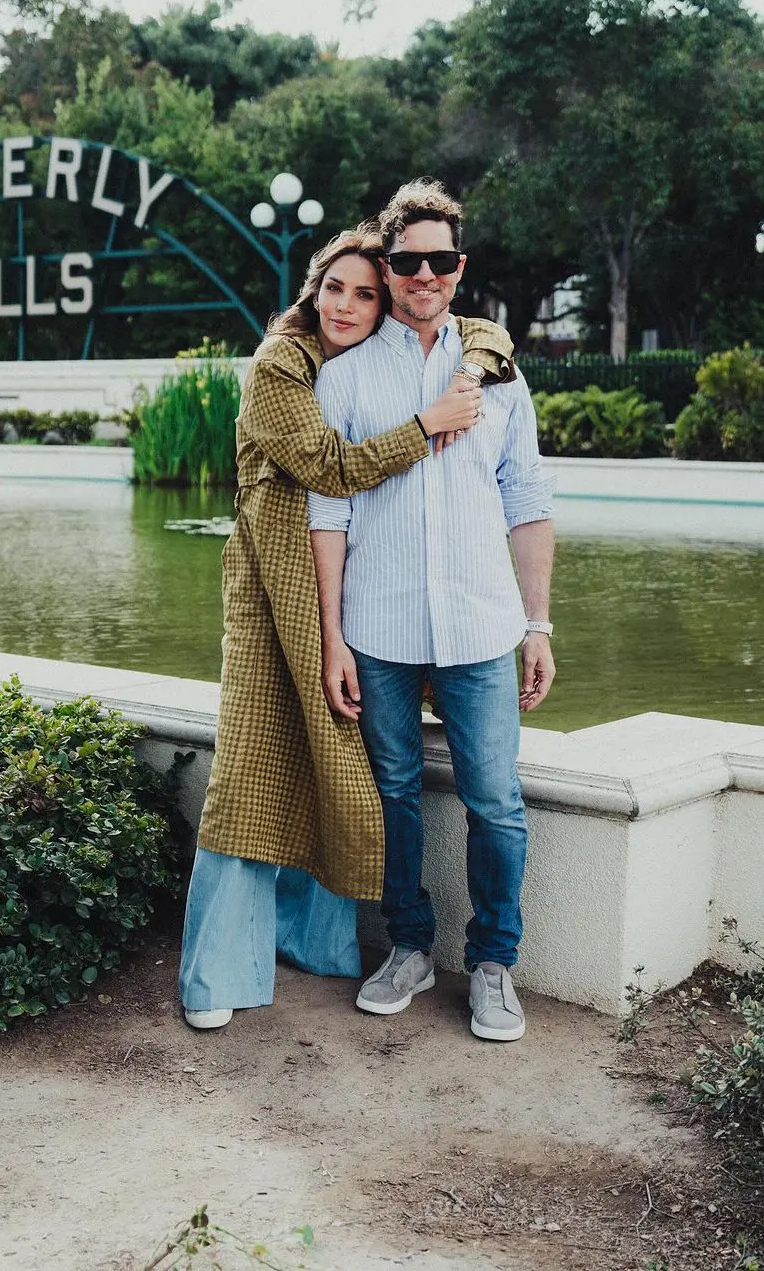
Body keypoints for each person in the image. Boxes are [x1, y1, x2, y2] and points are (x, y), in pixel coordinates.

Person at [179, 224, 517, 1029]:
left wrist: (473, 359)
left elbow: (486, 335)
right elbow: (330, 469)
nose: (349, 304)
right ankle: (215, 976)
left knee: (332, 770)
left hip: (346, 602)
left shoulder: (369, 365)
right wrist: (430, 423)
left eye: (366, 293)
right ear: (313, 286)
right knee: (251, 776)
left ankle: (314, 944)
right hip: (273, 603)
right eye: (338, 286)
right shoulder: (280, 365)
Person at [308, 180, 555, 1042]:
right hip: (378, 629)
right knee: (395, 797)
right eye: (406, 261)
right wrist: (334, 637)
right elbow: (329, 510)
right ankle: (409, 947)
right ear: (389, 263)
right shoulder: (343, 378)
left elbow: (526, 499)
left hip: (483, 626)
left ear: (458, 267)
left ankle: (493, 965)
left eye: (438, 260)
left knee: (495, 803)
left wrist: (538, 624)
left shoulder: (498, 375)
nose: (423, 275)